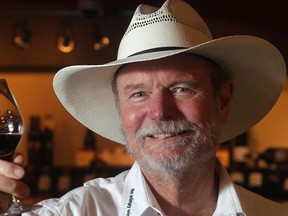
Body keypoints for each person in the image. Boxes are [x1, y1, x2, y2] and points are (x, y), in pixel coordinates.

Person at [1, 0, 288, 215]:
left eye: (181, 88)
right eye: (138, 93)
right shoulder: (77, 212)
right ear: (119, 108)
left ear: (222, 100)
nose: (160, 112)